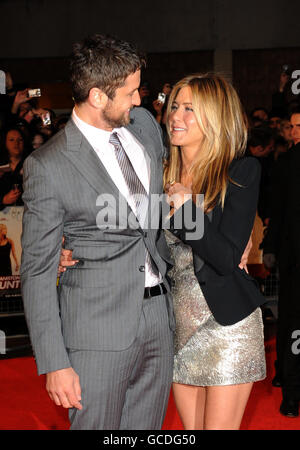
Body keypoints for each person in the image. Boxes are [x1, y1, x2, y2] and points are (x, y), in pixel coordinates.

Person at [20, 34, 174, 430]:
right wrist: (54, 362)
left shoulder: (143, 128)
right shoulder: (48, 166)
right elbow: (36, 272)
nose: (140, 100)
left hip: (159, 316)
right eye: (130, 92)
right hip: (95, 330)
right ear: (97, 96)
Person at [163, 73, 266, 430]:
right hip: (178, 326)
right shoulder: (160, 175)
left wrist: (187, 211)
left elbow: (225, 258)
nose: (176, 115)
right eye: (175, 106)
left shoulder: (241, 171)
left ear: (215, 116)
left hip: (227, 325)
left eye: (190, 108)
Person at [263, 109, 300, 417]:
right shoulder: (286, 164)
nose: (295, 131)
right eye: (293, 126)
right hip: (293, 261)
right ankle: (290, 391)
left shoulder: (287, 163)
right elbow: (278, 209)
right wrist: (271, 247)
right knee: (290, 325)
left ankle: (289, 387)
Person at [0, 127, 27, 209]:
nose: (16, 143)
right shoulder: (1, 163)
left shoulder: (31, 163)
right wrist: (3, 200)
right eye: (11, 140)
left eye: (20, 140)